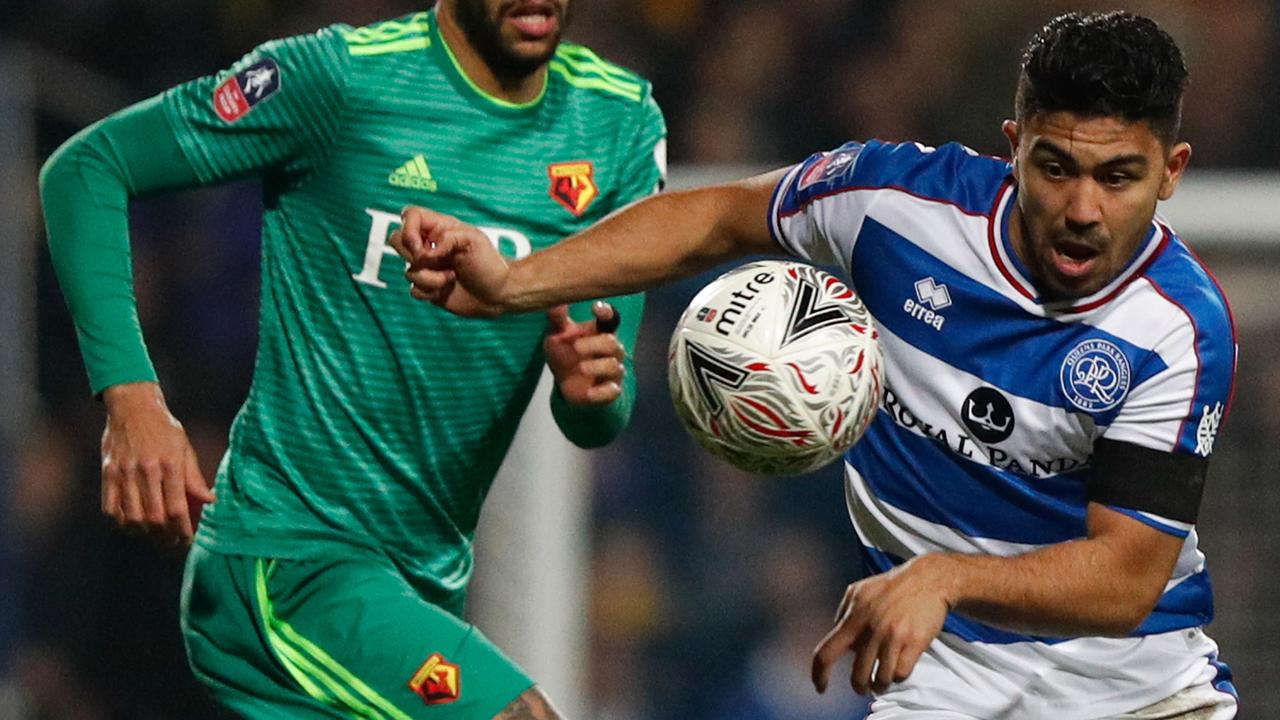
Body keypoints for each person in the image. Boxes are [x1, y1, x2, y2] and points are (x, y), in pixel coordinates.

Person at [395, 11, 1239, 719]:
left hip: (1143, 696)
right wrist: (514, 280)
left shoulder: (1176, 328)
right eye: (1056, 168)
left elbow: (1125, 576)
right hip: (945, 689)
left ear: (1172, 172)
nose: (1083, 208)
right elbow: (715, 221)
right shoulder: (895, 208)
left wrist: (942, 576)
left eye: (1119, 177)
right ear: (1013, 147)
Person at [39, 0, 667, 717]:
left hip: (423, 585)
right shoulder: (340, 79)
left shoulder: (618, 122)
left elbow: (599, 408)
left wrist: (592, 391)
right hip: (289, 561)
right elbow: (88, 169)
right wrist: (132, 401)